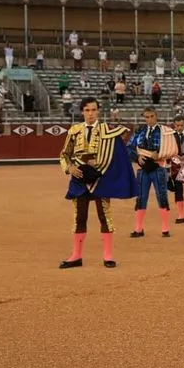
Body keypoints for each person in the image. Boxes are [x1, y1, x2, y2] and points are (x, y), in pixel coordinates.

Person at [57, 97, 137, 269]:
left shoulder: (107, 130)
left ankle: (108, 256)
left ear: (98, 111)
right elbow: (64, 155)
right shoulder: (74, 131)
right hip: (78, 177)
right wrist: (69, 168)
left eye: (93, 110)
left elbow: (119, 151)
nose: (91, 114)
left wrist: (100, 162)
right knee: (80, 217)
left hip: (101, 179)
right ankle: (76, 256)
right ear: (82, 112)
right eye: (87, 110)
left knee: (105, 216)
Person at [128, 107, 178, 238]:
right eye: (146, 117)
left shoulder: (164, 132)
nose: (149, 119)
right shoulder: (140, 131)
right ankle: (138, 229)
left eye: (151, 116)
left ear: (156, 116)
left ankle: (165, 229)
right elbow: (129, 148)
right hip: (143, 168)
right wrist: (137, 157)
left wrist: (161, 153)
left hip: (159, 167)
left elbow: (172, 149)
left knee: (162, 196)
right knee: (141, 197)